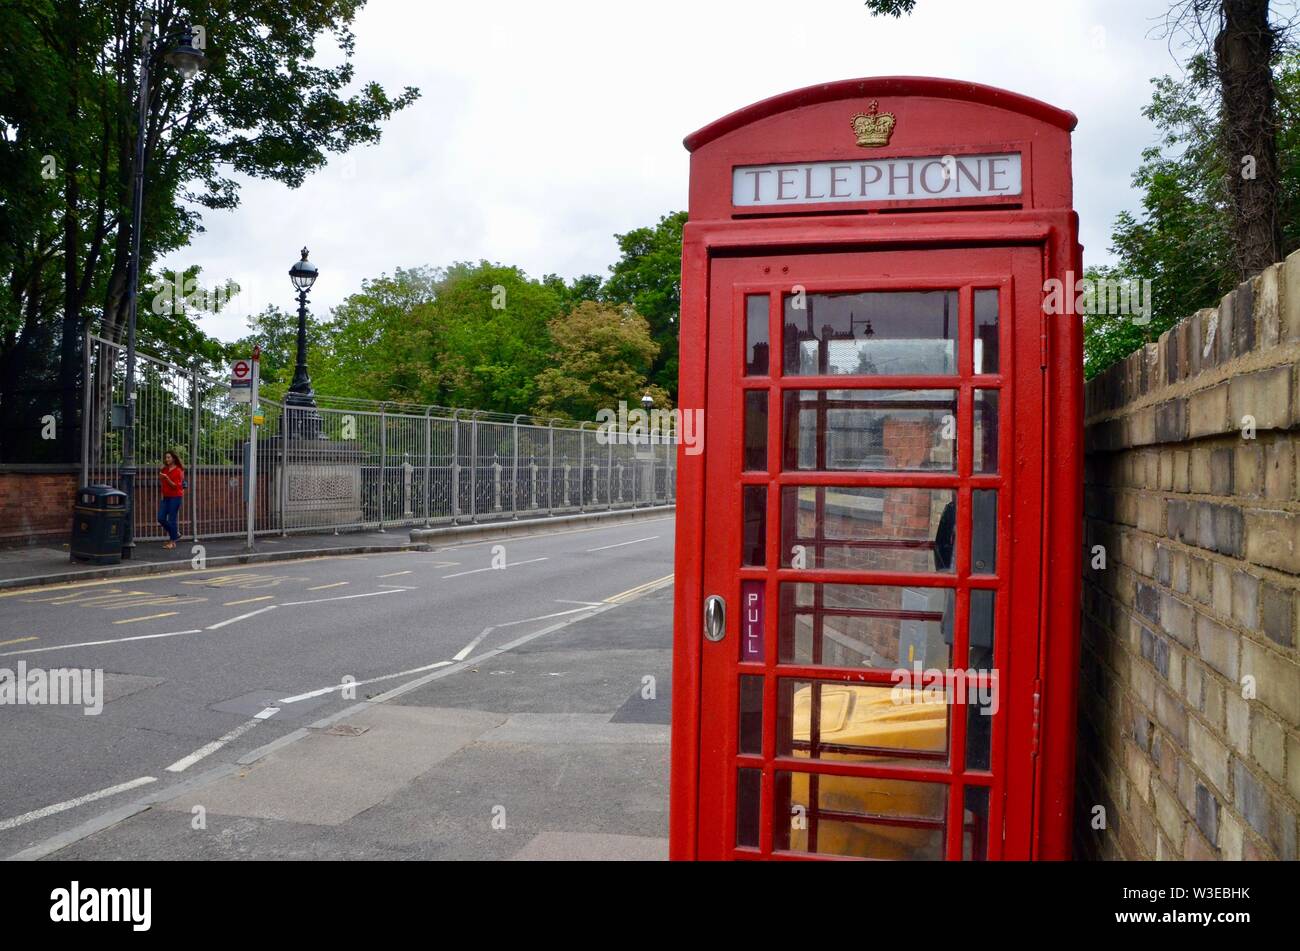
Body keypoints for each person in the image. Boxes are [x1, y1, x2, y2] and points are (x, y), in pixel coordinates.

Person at [158, 450, 186, 549]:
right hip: (166, 497)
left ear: (173, 459)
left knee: (172, 520)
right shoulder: (165, 469)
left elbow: (176, 486)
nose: (167, 459)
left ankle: (172, 542)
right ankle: (176, 534)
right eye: (166, 457)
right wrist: (161, 472)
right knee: (160, 518)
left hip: (175, 497)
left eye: (169, 457)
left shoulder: (178, 470)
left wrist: (167, 478)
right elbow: (162, 480)